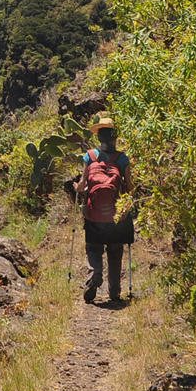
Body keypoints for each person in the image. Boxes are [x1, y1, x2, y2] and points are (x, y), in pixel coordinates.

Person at [77, 116, 132, 304]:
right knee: (115, 252)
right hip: (116, 216)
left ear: (99, 137)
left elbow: (83, 185)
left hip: (94, 214)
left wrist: (77, 187)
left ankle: (95, 275)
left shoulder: (89, 156)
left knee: (94, 248)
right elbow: (130, 187)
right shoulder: (122, 159)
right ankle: (115, 293)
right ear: (115, 138)